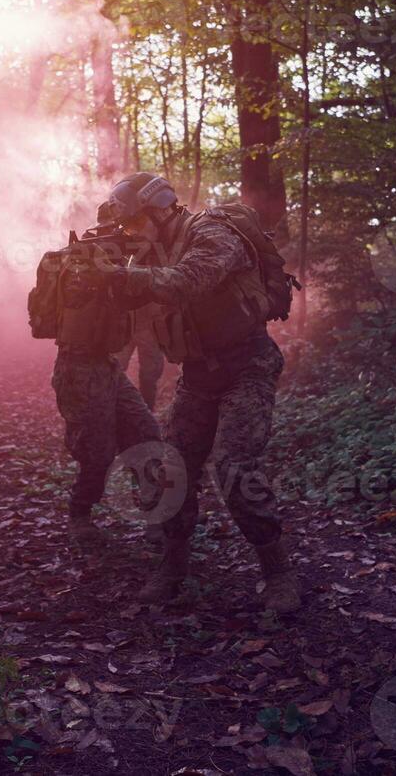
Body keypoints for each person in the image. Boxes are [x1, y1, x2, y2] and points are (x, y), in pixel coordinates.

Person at [99, 172, 300, 613]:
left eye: (134, 224)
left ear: (158, 210)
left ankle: (278, 571)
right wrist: (96, 276)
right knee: (172, 471)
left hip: (247, 366)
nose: (132, 233)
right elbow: (134, 294)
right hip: (199, 375)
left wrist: (122, 277)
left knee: (234, 468)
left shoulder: (211, 233)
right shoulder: (157, 247)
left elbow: (183, 281)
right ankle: (173, 566)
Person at [35, 206, 162, 550]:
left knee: (147, 434)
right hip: (78, 369)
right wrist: (103, 267)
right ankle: (80, 513)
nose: (122, 236)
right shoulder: (80, 266)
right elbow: (81, 304)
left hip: (106, 367)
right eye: (113, 230)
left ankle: (156, 517)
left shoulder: (120, 261)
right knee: (98, 451)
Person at [116, 304, 165, 410]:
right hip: (124, 324)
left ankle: (146, 412)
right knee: (114, 370)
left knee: (149, 377)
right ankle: (117, 409)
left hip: (149, 326)